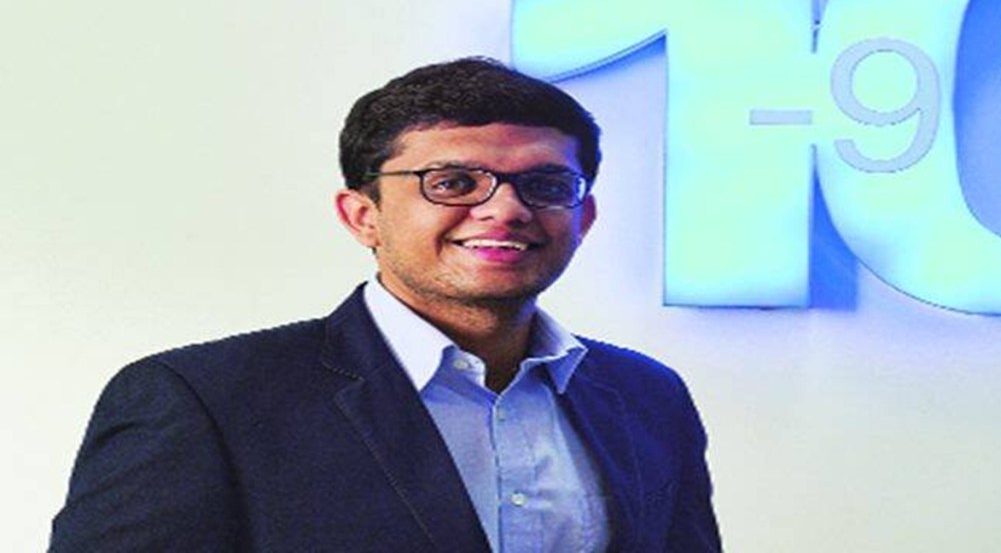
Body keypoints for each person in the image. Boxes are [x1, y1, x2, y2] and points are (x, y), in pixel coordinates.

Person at [50, 57, 721, 552]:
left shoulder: (647, 396)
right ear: (362, 215)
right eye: (453, 182)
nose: (506, 210)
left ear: (585, 216)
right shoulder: (206, 401)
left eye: (545, 184)